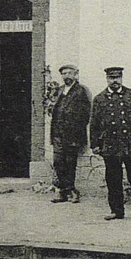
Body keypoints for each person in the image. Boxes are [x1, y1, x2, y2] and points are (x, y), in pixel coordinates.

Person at [90, 66, 131, 221]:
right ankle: (116, 211)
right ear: (107, 79)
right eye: (111, 78)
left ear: (121, 78)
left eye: (118, 77)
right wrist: (95, 144)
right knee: (113, 179)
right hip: (110, 145)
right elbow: (94, 124)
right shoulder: (100, 99)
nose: (115, 81)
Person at [48, 63, 90, 204]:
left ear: (75, 74)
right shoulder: (59, 90)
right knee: (58, 162)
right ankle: (63, 192)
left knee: (70, 163)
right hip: (58, 134)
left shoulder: (80, 91)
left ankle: (72, 191)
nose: (66, 76)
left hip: (72, 135)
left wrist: (76, 130)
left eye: (69, 73)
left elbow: (85, 114)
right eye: (64, 73)